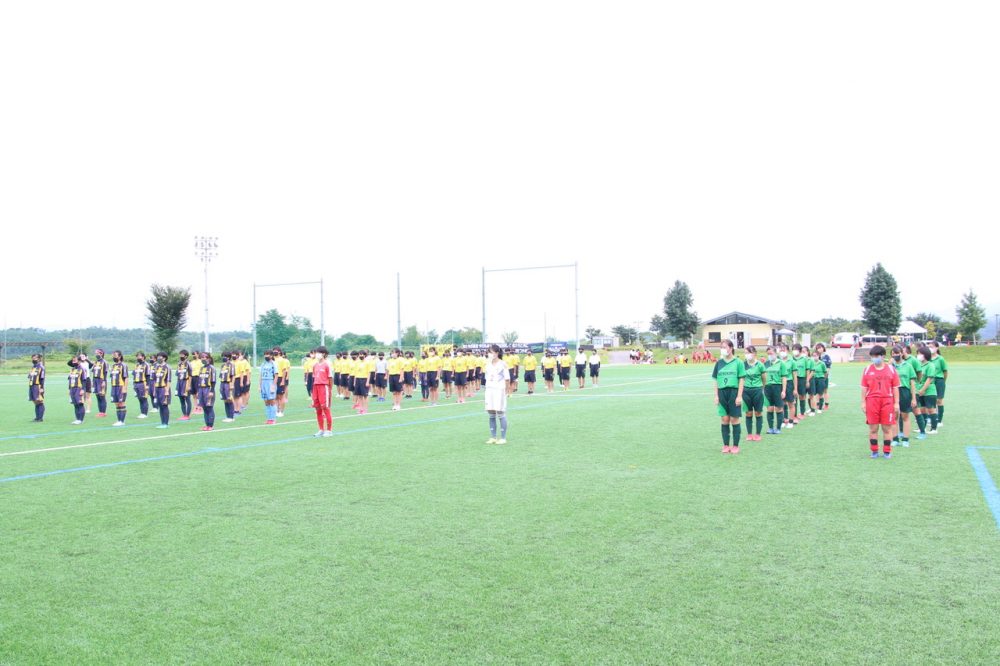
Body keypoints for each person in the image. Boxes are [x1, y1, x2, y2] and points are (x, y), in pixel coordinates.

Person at [861, 345, 900, 458]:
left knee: (887, 428)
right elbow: (864, 388)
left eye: (876, 356)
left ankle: (887, 451)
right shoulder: (867, 369)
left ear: (883, 356)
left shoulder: (891, 369)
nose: (874, 358)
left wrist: (896, 403)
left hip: (887, 401)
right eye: (872, 356)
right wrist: (863, 402)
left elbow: (895, 387)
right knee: (873, 428)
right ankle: (874, 451)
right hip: (872, 401)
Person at [713, 340, 746, 454]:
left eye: (724, 347)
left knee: (734, 419)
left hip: (734, 392)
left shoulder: (738, 362)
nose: (722, 349)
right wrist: (716, 395)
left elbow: (741, 380)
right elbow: (715, 380)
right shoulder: (719, 363)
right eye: (721, 347)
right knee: (724, 419)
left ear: (731, 348)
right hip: (722, 393)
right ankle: (726, 445)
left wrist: (739, 396)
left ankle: (735, 446)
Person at [484, 344, 511, 444]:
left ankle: (503, 438)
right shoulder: (487, 364)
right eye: (489, 352)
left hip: (499, 390)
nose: (489, 354)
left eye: (491, 352)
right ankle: (493, 437)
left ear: (497, 353)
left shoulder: (503, 364)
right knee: (491, 413)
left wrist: (507, 390)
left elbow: (507, 379)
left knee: (500, 412)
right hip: (489, 390)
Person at [891, 345, 917, 447]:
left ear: (902, 353)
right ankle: (895, 438)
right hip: (893, 392)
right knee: (894, 416)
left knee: (905, 416)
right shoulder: (890, 366)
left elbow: (912, 383)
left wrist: (913, 398)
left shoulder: (908, 366)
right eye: (893, 354)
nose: (895, 355)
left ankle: (905, 439)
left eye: (897, 353)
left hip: (905, 392)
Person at [741, 346, 765, 441]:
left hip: (757, 390)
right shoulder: (743, 365)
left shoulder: (760, 365)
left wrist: (762, 388)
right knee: (748, 413)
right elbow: (741, 378)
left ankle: (758, 434)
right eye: (745, 353)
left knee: (758, 412)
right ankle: (749, 434)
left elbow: (764, 378)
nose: (747, 355)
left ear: (754, 353)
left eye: (748, 352)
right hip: (746, 391)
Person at [914, 345, 939, 438]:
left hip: (929, 391)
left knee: (931, 409)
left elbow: (929, 379)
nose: (918, 356)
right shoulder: (919, 365)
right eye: (918, 354)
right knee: (922, 409)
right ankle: (922, 427)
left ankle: (934, 428)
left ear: (925, 355)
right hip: (919, 390)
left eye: (920, 354)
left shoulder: (930, 365)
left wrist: (922, 390)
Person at [311, 346, 333, 436]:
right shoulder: (315, 365)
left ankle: (329, 430)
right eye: (316, 353)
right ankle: (321, 429)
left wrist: (330, 390)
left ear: (323, 354)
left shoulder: (327, 364)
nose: (317, 354)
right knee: (317, 408)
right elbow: (314, 377)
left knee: (325, 408)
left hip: (324, 387)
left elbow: (330, 378)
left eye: (318, 353)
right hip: (316, 387)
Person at [763, 346, 786, 435]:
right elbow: (763, 377)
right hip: (768, 387)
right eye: (768, 354)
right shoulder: (766, 364)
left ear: (775, 353)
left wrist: (783, 390)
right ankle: (770, 428)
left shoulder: (781, 363)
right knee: (769, 408)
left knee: (778, 408)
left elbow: (784, 377)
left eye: (771, 353)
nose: (769, 355)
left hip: (777, 387)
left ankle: (778, 428)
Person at [928, 340, 948, 427]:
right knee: (931, 400)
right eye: (929, 347)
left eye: (932, 347)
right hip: (930, 381)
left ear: (937, 348)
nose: (930, 349)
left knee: (939, 400)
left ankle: (939, 420)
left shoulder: (940, 359)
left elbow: (945, 371)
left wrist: (943, 381)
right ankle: (931, 418)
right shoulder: (927, 359)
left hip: (939, 380)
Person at [197, 352, 217, 431]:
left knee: (209, 407)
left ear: (208, 358)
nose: (203, 358)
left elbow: (213, 381)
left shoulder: (212, 368)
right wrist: (198, 391)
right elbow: (200, 380)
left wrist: (211, 391)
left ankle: (211, 425)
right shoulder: (202, 368)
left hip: (208, 389)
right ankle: (207, 425)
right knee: (204, 408)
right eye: (201, 357)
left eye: (204, 357)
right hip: (201, 389)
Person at [152, 352, 172, 428]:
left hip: (164, 388)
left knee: (164, 405)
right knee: (160, 406)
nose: (158, 358)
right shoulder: (156, 367)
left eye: (160, 357)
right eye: (158, 357)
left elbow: (169, 380)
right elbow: (155, 379)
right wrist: (154, 390)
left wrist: (167, 391)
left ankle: (166, 423)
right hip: (157, 388)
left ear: (164, 358)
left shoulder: (167, 367)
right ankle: (162, 422)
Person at [109, 351, 129, 426]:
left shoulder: (123, 365)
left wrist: (125, 388)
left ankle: (122, 421)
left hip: (121, 386)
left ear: (120, 356)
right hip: (114, 386)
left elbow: (126, 377)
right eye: (113, 355)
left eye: (115, 355)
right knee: (116, 404)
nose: (114, 357)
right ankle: (118, 420)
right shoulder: (113, 366)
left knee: (121, 403)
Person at [259, 351, 279, 425]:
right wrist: (259, 386)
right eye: (265, 354)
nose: (266, 356)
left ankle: (273, 419)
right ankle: (268, 419)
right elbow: (260, 375)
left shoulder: (273, 364)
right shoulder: (263, 364)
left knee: (272, 401)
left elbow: (276, 376)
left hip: (270, 382)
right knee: (266, 402)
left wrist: (273, 386)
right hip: (263, 383)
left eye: (267, 354)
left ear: (271, 355)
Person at [68, 355, 87, 425]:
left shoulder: (82, 369)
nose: (73, 362)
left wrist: (83, 389)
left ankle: (81, 420)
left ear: (79, 361)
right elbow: (70, 380)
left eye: (75, 360)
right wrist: (69, 389)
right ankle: (77, 419)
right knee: (75, 404)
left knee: (80, 404)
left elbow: (84, 380)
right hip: (72, 388)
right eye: (73, 360)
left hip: (79, 388)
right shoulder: (72, 369)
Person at [219, 351, 237, 422]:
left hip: (228, 383)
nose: (223, 358)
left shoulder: (231, 365)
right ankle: (227, 416)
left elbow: (233, 375)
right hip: (222, 383)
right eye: (223, 356)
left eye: (225, 356)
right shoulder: (222, 366)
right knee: (225, 400)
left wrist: (231, 384)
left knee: (229, 399)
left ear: (229, 357)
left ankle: (231, 417)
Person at [176, 350, 193, 421]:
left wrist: (189, 385)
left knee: (187, 399)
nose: (180, 356)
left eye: (182, 355)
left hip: (186, 382)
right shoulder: (179, 363)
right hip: (179, 382)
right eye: (180, 355)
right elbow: (177, 374)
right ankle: (184, 415)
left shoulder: (188, 364)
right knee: (181, 399)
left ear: (186, 356)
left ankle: (187, 415)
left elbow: (190, 375)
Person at [132, 352, 151, 419]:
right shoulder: (137, 365)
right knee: (139, 399)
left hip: (143, 383)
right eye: (137, 356)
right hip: (136, 383)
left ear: (143, 357)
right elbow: (134, 375)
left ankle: (145, 413)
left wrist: (147, 385)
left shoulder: (146, 365)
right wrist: (134, 384)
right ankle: (142, 413)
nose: (138, 358)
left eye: (139, 356)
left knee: (144, 398)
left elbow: (148, 376)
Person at [91, 349, 109, 417]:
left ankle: (103, 412)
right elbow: (93, 372)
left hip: (101, 380)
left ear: (101, 354)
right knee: (97, 396)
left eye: (97, 353)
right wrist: (92, 381)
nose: (96, 354)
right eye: (95, 353)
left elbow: (105, 372)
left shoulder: (104, 362)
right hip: (95, 380)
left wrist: (104, 381)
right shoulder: (96, 362)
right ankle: (100, 412)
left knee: (102, 396)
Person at [28, 353, 45, 422]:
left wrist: (41, 388)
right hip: (31, 385)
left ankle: (40, 418)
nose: (33, 359)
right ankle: (37, 417)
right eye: (32, 358)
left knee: (39, 401)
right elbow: (30, 376)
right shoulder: (33, 367)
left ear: (39, 359)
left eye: (35, 358)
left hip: (37, 386)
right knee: (35, 401)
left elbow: (42, 378)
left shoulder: (41, 367)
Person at [810, 348, 828, 414]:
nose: (815, 357)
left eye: (816, 355)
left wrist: (823, 379)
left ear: (818, 356)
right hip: (813, 379)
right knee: (813, 394)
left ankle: (820, 408)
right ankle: (813, 408)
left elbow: (825, 373)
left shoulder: (822, 363)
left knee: (820, 394)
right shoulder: (811, 363)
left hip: (820, 379)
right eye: (813, 355)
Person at [815, 343, 832, 411]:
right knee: (817, 391)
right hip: (816, 377)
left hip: (824, 377)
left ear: (823, 348)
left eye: (820, 348)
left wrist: (825, 377)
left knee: (825, 391)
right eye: (818, 348)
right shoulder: (816, 356)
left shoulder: (826, 357)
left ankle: (826, 404)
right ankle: (818, 404)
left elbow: (828, 368)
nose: (819, 349)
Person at [189, 351, 204, 415]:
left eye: (194, 354)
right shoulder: (191, 362)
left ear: (198, 354)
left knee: (199, 394)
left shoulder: (201, 362)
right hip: (192, 378)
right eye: (192, 354)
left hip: (198, 378)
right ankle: (195, 408)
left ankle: (201, 408)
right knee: (194, 394)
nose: (193, 356)